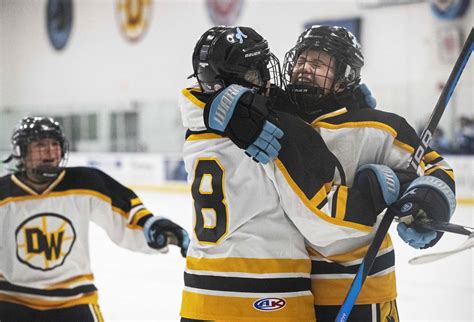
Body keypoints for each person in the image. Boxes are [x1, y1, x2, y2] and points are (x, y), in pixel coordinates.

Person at [179, 25, 420, 322]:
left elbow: (195, 98)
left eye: (318, 64)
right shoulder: (275, 130)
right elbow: (321, 217)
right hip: (269, 296)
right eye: (260, 70)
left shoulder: (199, 126)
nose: (271, 76)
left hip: (198, 298)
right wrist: (376, 195)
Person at [0, 116, 189, 322]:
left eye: (55, 144)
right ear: (21, 151)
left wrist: (156, 231)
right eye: (40, 145)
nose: (51, 151)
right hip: (12, 298)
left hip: (74, 299)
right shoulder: (3, 193)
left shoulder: (85, 182)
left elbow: (128, 216)